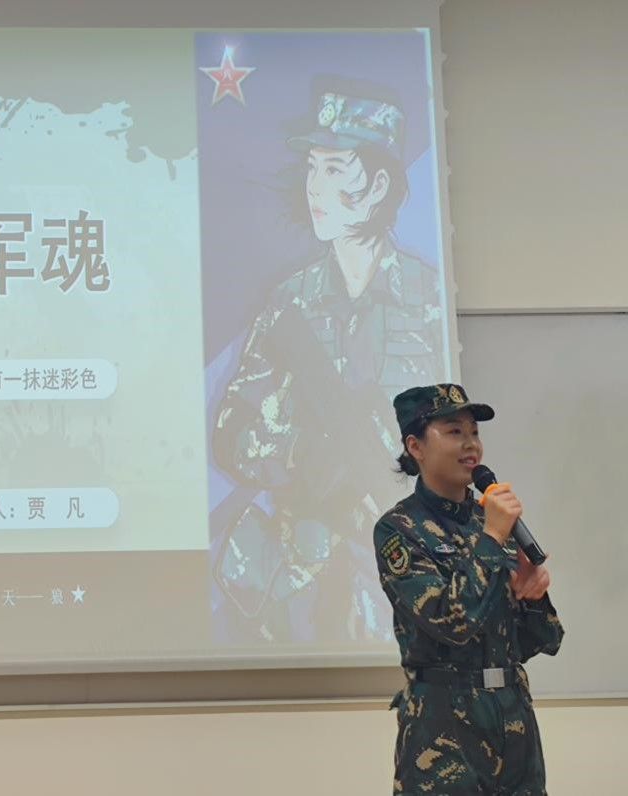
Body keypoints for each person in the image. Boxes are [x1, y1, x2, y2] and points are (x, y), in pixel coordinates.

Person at [212, 76, 445, 643]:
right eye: (313, 168)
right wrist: (295, 451)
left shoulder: (429, 301)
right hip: (297, 583)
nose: (314, 186)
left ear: (379, 184)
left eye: (335, 169)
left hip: (403, 586)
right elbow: (230, 434)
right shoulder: (288, 306)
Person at [375, 384, 564, 794]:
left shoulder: (491, 523)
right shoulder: (399, 530)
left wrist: (533, 597)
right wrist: (492, 539)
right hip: (443, 728)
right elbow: (452, 622)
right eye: (454, 431)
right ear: (415, 446)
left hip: (513, 720)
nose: (471, 444)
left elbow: (543, 640)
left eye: (474, 432)